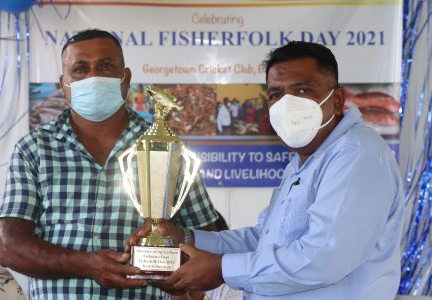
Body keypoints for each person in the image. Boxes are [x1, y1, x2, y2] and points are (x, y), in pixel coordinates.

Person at [129, 41, 405, 299]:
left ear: (337, 100)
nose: (287, 104)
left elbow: (322, 259)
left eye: (303, 90)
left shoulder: (358, 154)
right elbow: (265, 240)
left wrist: (221, 269)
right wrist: (189, 238)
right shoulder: (304, 160)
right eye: (276, 94)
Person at [0, 29, 218, 299]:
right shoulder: (34, 148)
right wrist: (87, 265)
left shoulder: (166, 147)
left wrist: (166, 267)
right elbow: (10, 248)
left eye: (106, 66)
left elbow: (209, 242)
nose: (94, 77)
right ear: (63, 83)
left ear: (126, 79)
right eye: (80, 69)